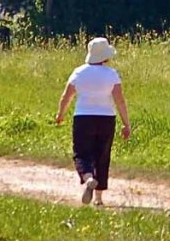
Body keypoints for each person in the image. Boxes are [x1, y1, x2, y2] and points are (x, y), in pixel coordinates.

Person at [56, 37, 132, 206]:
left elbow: (66, 96)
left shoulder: (79, 72)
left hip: (83, 117)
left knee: (81, 152)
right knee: (102, 156)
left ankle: (88, 177)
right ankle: (98, 198)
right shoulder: (112, 74)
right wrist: (126, 123)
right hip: (106, 118)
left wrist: (60, 114)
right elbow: (120, 100)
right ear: (105, 56)